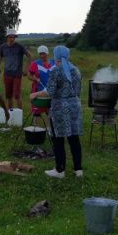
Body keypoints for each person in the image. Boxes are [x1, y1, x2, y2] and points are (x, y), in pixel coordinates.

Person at [31, 46, 83, 178]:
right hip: (75, 106)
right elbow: (78, 91)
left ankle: (60, 170)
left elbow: (50, 91)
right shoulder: (76, 70)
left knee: (58, 139)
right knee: (74, 139)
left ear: (56, 56)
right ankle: (78, 170)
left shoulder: (56, 70)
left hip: (60, 108)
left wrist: (35, 94)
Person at [0, 28, 32, 110]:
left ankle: (19, 114)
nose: (12, 39)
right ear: (7, 37)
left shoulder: (20, 47)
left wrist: (26, 69)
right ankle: (10, 115)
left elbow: (29, 56)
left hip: (17, 75)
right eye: (10, 37)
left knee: (17, 95)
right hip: (7, 74)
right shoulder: (3, 47)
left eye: (13, 37)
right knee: (8, 96)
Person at [27, 45, 54, 124]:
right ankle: (36, 129)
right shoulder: (35, 63)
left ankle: (50, 130)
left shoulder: (53, 63)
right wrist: (35, 79)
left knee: (50, 112)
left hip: (50, 90)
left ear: (47, 53)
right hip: (38, 90)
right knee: (37, 111)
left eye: (44, 54)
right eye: (40, 54)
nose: (42, 56)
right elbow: (29, 75)